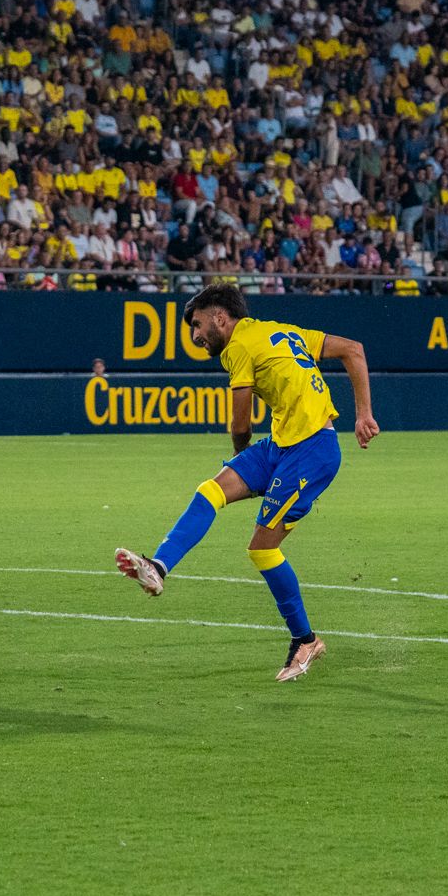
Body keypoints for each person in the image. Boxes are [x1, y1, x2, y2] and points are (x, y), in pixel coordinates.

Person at [114, 285, 379, 682]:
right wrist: (363, 414)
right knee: (210, 490)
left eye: (198, 325)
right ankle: (158, 566)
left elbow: (241, 421)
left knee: (262, 548)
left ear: (220, 317)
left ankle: (305, 640)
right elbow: (353, 349)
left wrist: (242, 455)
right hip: (283, 444)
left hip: (311, 451)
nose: (197, 336)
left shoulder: (238, 346)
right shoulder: (281, 330)